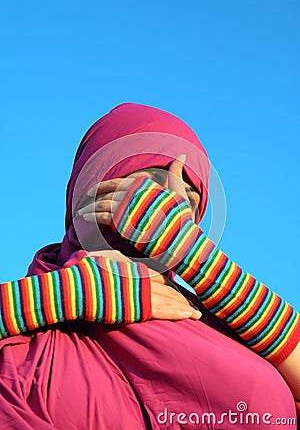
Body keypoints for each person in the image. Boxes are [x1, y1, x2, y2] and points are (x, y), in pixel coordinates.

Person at [0, 103, 299, 429]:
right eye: (151, 181)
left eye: (189, 196)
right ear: (93, 188)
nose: (173, 200)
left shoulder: (225, 329)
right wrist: (65, 295)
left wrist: (200, 260)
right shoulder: (28, 342)